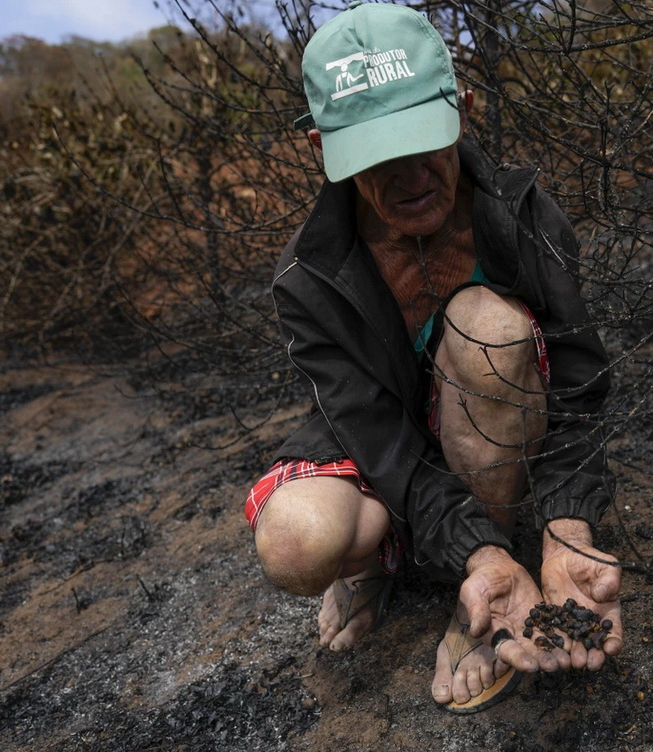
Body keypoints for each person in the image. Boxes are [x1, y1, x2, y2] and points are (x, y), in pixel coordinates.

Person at [244, 0, 622, 713]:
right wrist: (468, 548)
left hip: (493, 415)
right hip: (384, 428)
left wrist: (569, 522)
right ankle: (390, 561)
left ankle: (485, 582)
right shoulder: (309, 274)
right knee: (297, 543)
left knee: (486, 326)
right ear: (326, 150)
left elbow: (578, 380)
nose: (409, 176)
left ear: (463, 109)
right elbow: (374, 435)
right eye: (376, 157)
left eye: (424, 142)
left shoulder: (521, 213)